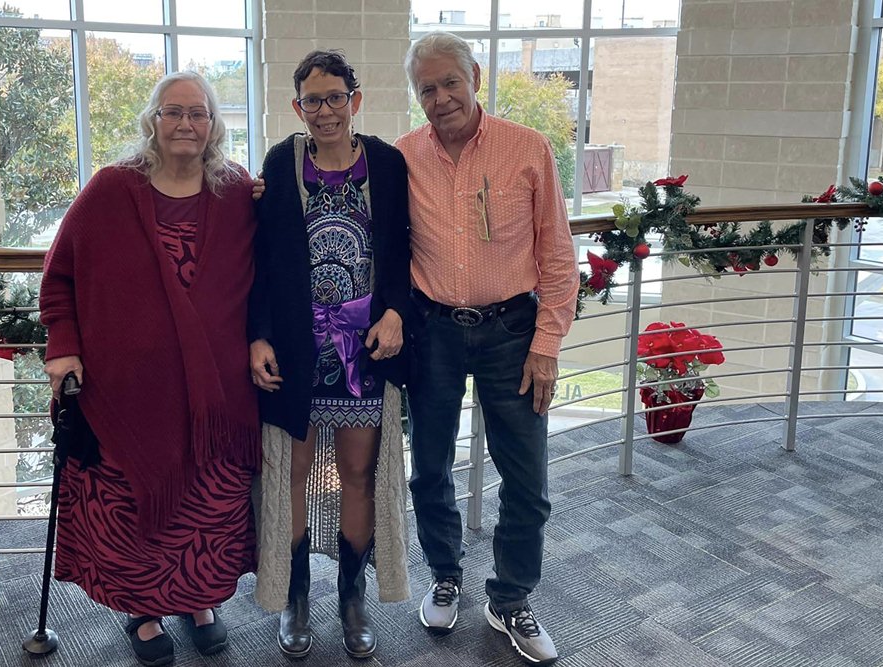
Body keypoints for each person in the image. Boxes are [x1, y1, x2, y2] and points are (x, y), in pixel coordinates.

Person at [40, 71, 260, 667]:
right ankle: (145, 611)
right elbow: (59, 275)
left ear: (213, 125)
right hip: (127, 392)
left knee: (208, 506)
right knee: (136, 504)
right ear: (152, 121)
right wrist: (63, 347)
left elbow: (272, 267)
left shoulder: (237, 191)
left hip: (216, 397)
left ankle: (200, 601)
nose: (186, 123)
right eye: (173, 112)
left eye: (198, 113)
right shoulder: (112, 189)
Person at [395, 32, 578, 665]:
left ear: (474, 75)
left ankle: (511, 597)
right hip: (433, 331)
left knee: (526, 476)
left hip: (512, 332)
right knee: (429, 467)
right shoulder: (403, 156)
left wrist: (547, 343)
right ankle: (445, 574)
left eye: (450, 82)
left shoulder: (527, 147)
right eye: (426, 88)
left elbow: (557, 254)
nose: (441, 97)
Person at [249, 50, 413, 659]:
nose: (325, 111)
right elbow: (261, 259)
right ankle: (296, 600)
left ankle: (351, 599)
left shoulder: (387, 164)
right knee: (290, 477)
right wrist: (258, 334)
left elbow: (406, 249)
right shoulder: (281, 163)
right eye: (312, 101)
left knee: (358, 477)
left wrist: (396, 311)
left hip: (363, 352)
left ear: (355, 100)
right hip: (296, 352)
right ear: (298, 108)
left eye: (335, 97)